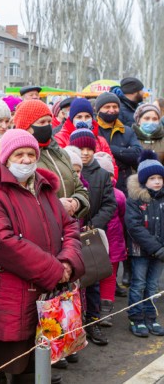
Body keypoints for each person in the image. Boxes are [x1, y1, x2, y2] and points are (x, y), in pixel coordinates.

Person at [0, 129, 84, 384]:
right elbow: (1, 241)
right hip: (10, 295)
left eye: (30, 154)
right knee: (9, 364)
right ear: (6, 158)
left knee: (37, 364)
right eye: (18, 154)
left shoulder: (45, 189)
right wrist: (55, 270)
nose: (25, 160)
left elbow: (69, 226)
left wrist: (68, 262)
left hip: (46, 295)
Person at [69, 128, 117, 346]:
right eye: (81, 148)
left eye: (89, 149)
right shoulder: (69, 172)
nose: (86, 153)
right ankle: (73, 327)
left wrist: (94, 224)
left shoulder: (100, 174)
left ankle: (93, 321)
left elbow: (109, 203)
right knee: (72, 284)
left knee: (93, 280)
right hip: (69, 234)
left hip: (91, 235)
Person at [14, 100, 90, 219]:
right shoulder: (20, 159)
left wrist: (76, 203)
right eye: (42, 122)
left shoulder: (61, 153)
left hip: (69, 228)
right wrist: (57, 206)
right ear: (26, 127)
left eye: (49, 121)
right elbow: (21, 201)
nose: (48, 126)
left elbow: (81, 189)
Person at [125, 151, 164, 337]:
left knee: (152, 285)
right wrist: (156, 248)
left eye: (159, 178)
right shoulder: (135, 200)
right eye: (151, 178)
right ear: (142, 181)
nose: (157, 181)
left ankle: (151, 317)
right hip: (140, 251)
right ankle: (136, 318)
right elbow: (134, 227)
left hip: (161, 252)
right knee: (138, 284)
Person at [93, 151, 128, 326]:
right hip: (109, 243)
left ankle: (103, 309)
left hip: (109, 244)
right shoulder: (119, 194)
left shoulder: (118, 195)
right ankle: (101, 310)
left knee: (103, 277)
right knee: (107, 277)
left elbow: (122, 216)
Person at [54, 97, 117, 175]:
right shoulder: (60, 138)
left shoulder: (101, 141)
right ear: (72, 118)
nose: (83, 120)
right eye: (79, 117)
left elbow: (112, 167)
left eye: (87, 116)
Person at [95, 91, 142, 194]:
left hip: (124, 186)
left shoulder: (127, 131)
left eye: (115, 106)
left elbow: (137, 154)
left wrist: (110, 149)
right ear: (98, 110)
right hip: (98, 185)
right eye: (107, 107)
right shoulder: (93, 130)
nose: (111, 110)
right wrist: (125, 155)